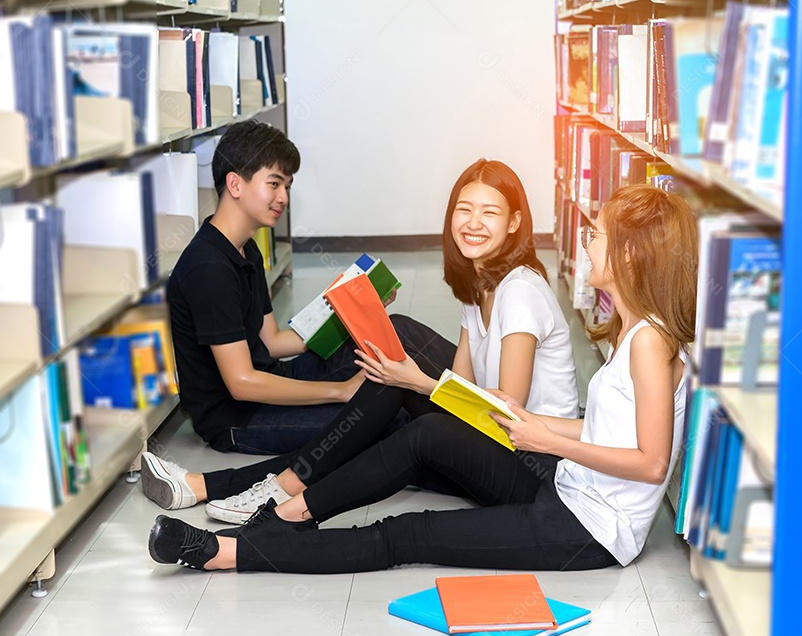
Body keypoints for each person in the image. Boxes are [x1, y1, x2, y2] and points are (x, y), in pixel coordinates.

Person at [146, 183, 697, 574]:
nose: (586, 241)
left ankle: (228, 550)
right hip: (564, 486)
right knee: (422, 433)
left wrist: (547, 439)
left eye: (597, 235)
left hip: (589, 530)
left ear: (630, 254)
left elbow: (652, 463)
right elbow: (605, 429)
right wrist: (537, 423)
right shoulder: (631, 332)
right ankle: (282, 516)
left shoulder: (648, 342)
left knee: (408, 534)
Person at [142, 159, 580, 523]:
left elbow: (508, 416)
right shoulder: (478, 284)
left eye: (490, 213)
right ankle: (267, 489)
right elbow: (462, 389)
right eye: (464, 210)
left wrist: (415, 382)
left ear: (515, 222)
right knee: (389, 385)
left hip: (535, 463)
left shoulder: (519, 293)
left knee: (390, 398)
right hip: (500, 445)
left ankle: (265, 491)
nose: (474, 223)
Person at [166, 119, 453, 456]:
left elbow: (272, 342)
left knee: (399, 331)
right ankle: (475, 442)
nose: (283, 198)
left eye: (287, 186)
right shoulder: (208, 268)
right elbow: (242, 383)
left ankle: (479, 395)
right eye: (274, 184)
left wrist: (357, 310)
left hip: (273, 377)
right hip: (238, 418)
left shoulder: (245, 249)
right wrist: (341, 391)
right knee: (388, 413)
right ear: (235, 183)